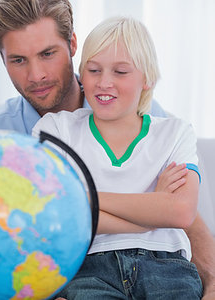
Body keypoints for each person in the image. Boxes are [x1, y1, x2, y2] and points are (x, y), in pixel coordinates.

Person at [0, 0, 215, 298]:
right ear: (1, 60)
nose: (36, 74)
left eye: (48, 54)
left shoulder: (148, 116)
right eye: (18, 60)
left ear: (72, 44)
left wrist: (212, 283)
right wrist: (148, 213)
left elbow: (185, 215)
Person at [33, 16, 202, 299]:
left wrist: (83, 194)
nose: (104, 83)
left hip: (167, 267)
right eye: (94, 70)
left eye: (120, 72)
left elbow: (181, 211)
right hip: (88, 268)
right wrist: (152, 211)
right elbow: (56, 213)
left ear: (147, 78)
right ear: (82, 75)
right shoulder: (55, 130)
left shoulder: (175, 132)